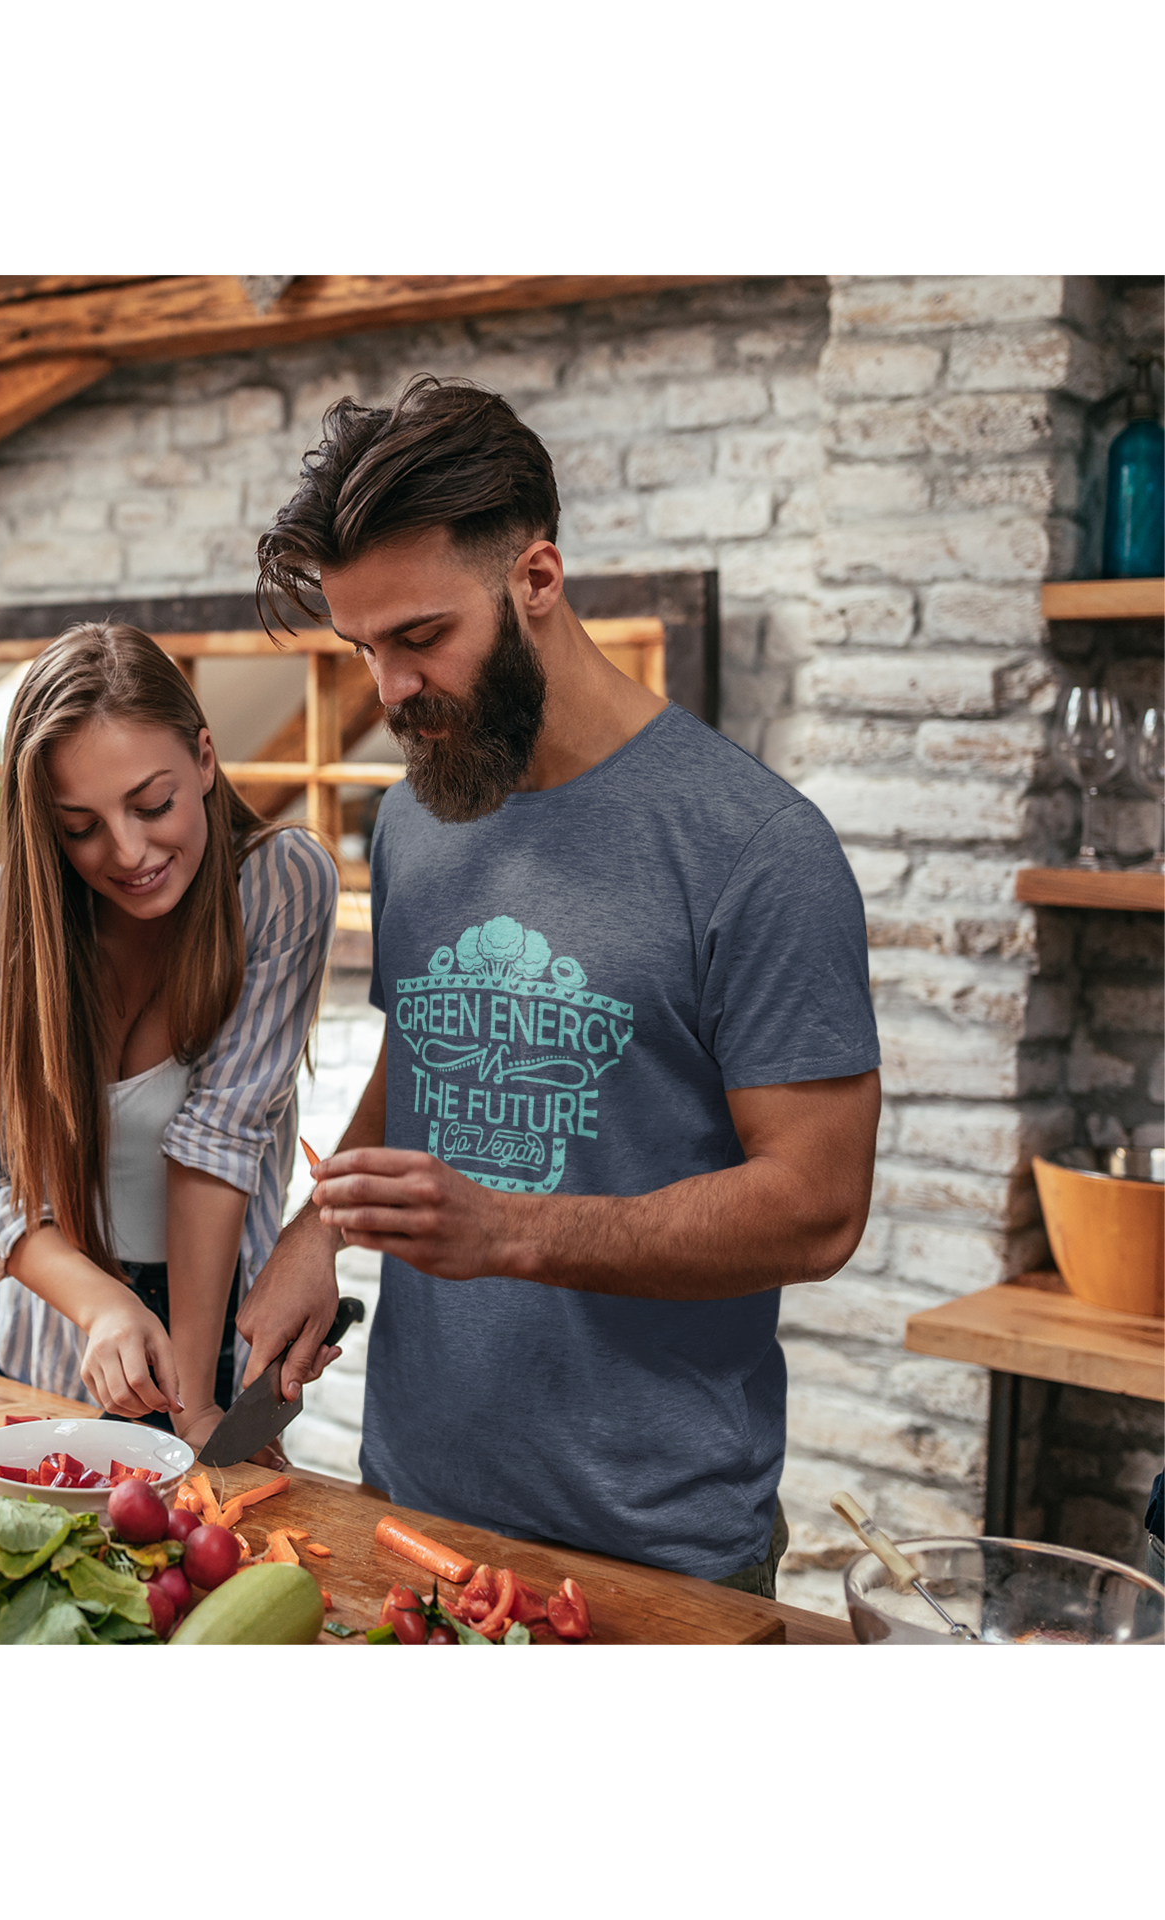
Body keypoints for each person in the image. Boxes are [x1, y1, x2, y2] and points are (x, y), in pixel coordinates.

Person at [237, 376, 881, 1595]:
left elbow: (819, 1206)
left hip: (655, 1549)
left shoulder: (755, 849)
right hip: (413, 1508)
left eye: (422, 637)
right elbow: (429, 1052)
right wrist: (320, 1227)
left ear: (536, 579)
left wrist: (510, 1231)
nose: (389, 690)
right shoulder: (421, 817)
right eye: (364, 646)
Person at [0, 621, 339, 1460]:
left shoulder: (279, 884)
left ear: (203, 757)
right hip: (37, 1312)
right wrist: (101, 1303)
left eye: (153, 804)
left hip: (211, 1321)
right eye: (79, 826)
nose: (128, 853)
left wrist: (195, 1409)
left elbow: (218, 1142)